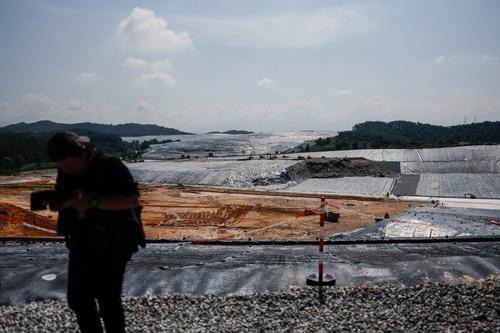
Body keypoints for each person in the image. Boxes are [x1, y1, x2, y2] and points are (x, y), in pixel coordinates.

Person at [47, 131, 145, 333]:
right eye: (62, 167)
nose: (67, 170)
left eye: (71, 165)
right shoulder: (66, 171)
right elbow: (64, 194)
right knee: (78, 299)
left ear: (83, 151)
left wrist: (92, 202)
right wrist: (61, 203)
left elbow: (132, 200)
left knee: (108, 299)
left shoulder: (111, 166)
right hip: (83, 237)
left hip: (116, 239)